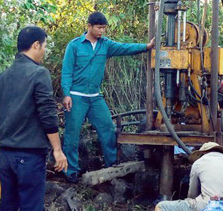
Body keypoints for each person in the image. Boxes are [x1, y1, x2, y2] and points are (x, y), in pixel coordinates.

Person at [61, 11, 154, 182]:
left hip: (95, 96)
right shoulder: (74, 45)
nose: (102, 31)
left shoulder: (105, 44)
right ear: (89, 26)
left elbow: (125, 48)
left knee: (108, 129)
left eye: (104, 28)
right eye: (99, 28)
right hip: (76, 96)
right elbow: (66, 71)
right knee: (72, 134)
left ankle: (112, 165)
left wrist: (146, 47)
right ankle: (71, 171)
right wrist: (66, 94)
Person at [0, 25, 68, 211]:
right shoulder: (38, 74)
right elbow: (47, 114)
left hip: (6, 156)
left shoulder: (1, 78)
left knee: (7, 209)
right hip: (29, 156)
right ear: (36, 45)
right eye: (44, 46)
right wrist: (57, 149)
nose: (44, 51)